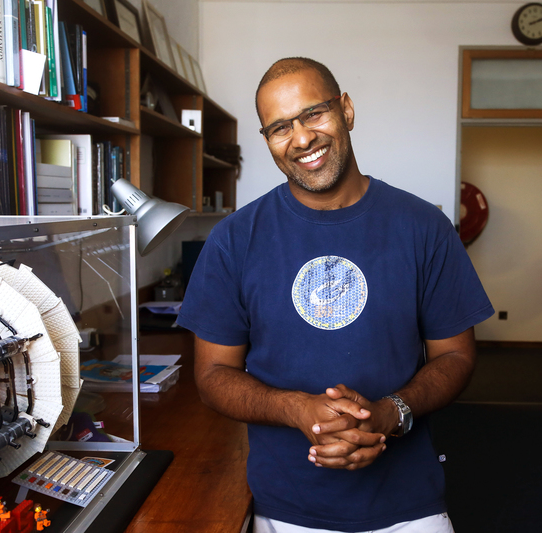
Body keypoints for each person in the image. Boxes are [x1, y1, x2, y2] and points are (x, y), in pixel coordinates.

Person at [177, 57, 493, 533]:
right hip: (285, 506)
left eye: (314, 114)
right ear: (266, 140)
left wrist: (389, 413)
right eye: (280, 127)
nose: (301, 138)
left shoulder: (424, 227)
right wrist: (297, 409)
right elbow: (212, 374)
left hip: (409, 504)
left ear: (346, 110)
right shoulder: (234, 238)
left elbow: (457, 357)